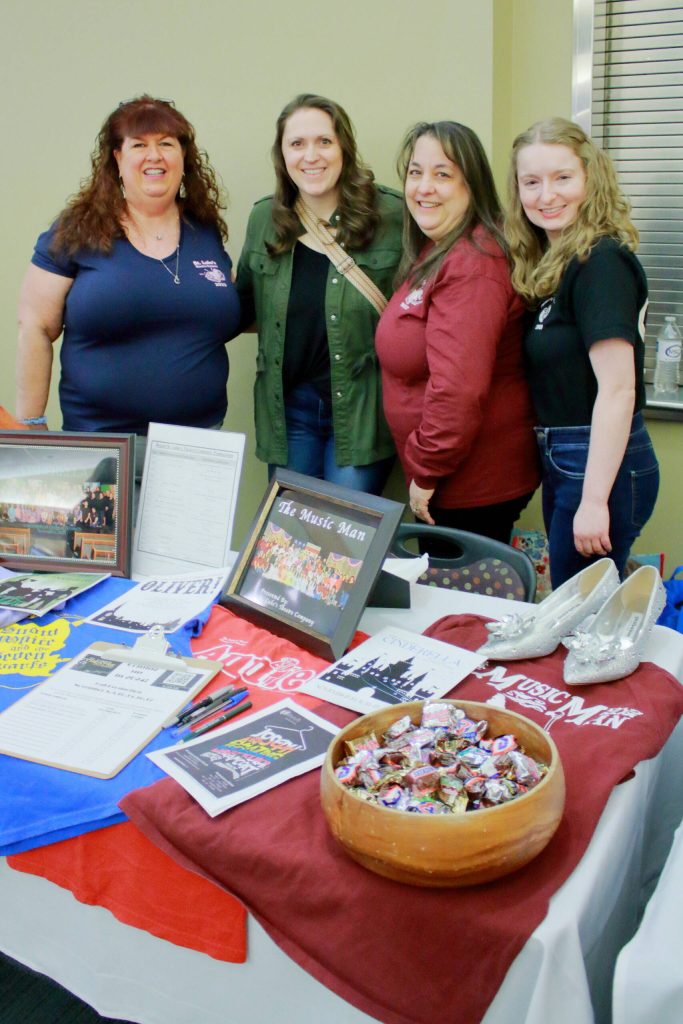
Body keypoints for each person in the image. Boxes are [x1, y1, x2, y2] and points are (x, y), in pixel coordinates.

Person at [16, 95, 240, 460]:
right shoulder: (77, 230)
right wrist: (30, 426)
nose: (155, 156)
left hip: (199, 446)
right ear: (118, 159)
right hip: (100, 445)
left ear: (184, 158)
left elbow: (222, 308)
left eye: (166, 144)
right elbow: (35, 326)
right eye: (139, 145)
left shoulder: (205, 230)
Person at [506, 117, 659, 587]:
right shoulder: (557, 265)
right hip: (569, 456)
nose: (546, 195)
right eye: (532, 182)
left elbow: (617, 389)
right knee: (579, 607)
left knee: (581, 615)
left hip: (596, 462)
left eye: (562, 178)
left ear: (589, 179)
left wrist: (594, 500)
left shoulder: (600, 262)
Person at [375, 121, 540, 547]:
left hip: (471, 484)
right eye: (415, 172)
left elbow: (458, 389)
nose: (424, 187)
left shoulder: (473, 263)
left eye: (443, 174)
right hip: (457, 479)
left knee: (465, 611)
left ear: (473, 185)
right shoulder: (442, 247)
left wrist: (427, 468)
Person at [235, 93, 402, 494]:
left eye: (324, 142)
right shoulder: (264, 219)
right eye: (297, 144)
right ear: (282, 155)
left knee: (348, 540)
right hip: (290, 413)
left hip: (362, 410)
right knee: (292, 538)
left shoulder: (393, 215)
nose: (311, 156)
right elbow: (242, 307)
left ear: (344, 146)